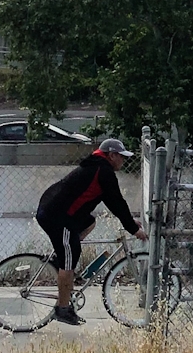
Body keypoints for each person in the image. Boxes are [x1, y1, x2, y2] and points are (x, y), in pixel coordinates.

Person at [36, 137, 148, 326]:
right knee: (72, 254)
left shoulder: (98, 167)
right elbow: (117, 202)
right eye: (121, 157)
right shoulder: (103, 171)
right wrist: (133, 229)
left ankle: (60, 259)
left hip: (56, 209)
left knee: (89, 222)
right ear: (111, 155)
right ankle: (62, 309)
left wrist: (130, 221)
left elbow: (114, 202)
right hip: (56, 216)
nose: (123, 161)